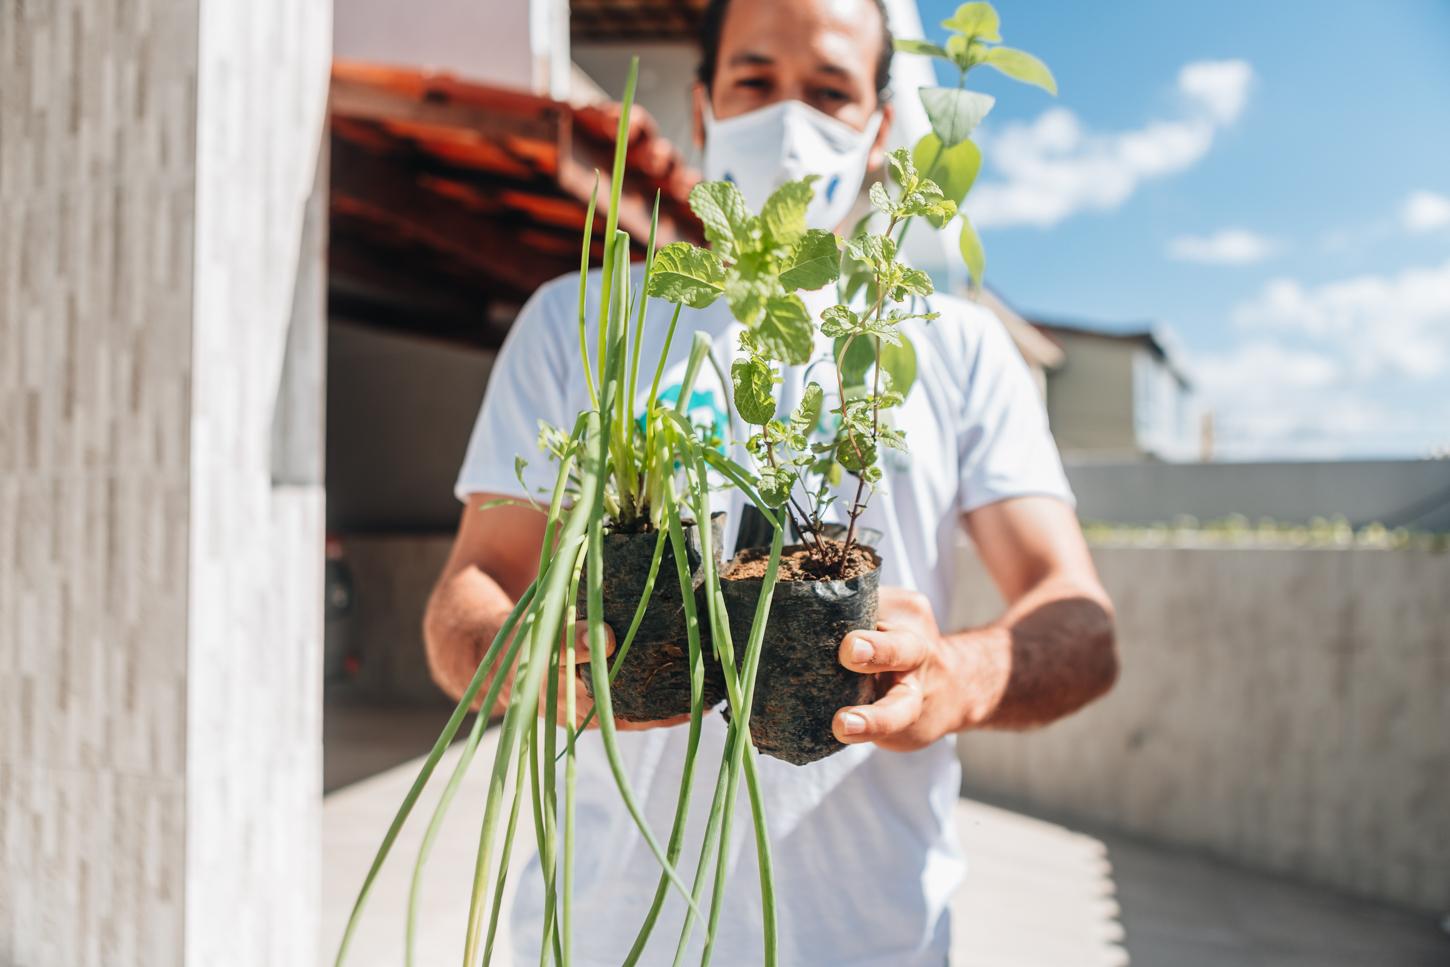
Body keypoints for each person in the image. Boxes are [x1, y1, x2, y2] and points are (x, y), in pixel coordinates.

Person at [425, 0, 1118, 963]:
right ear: (703, 110)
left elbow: (1079, 622)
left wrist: (956, 676)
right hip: (601, 934)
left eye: (830, 90)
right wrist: (532, 657)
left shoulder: (954, 347)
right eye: (754, 81)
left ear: (880, 131)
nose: (788, 120)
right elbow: (468, 597)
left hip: (872, 939)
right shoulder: (577, 322)